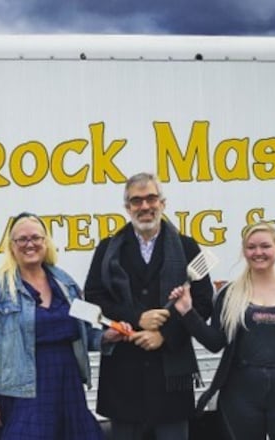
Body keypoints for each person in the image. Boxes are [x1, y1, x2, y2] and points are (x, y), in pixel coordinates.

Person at [0, 212, 130, 439]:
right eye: (21, 239)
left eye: (36, 238)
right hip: (22, 392)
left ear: (45, 242)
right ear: (11, 247)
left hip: (65, 385)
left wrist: (106, 337)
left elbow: (81, 332)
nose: (29, 244)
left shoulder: (65, 283)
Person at [84, 172, 214, 440]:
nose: (145, 206)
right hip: (123, 376)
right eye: (136, 201)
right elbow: (94, 296)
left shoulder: (187, 247)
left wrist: (163, 334)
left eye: (151, 198)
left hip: (171, 377)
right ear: (127, 207)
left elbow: (202, 303)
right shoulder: (108, 249)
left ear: (162, 203)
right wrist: (137, 317)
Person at [168, 221, 275, 440]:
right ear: (244, 251)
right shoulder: (230, 293)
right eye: (251, 247)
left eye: (265, 246)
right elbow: (215, 342)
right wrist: (187, 311)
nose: (258, 252)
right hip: (241, 395)